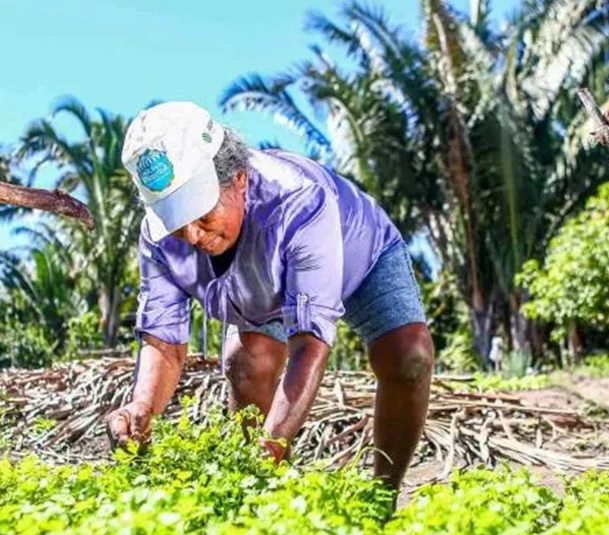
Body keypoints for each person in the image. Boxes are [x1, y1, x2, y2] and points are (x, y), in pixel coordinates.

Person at [102, 101, 434, 488]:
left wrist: (268, 447)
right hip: (260, 286)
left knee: (409, 356)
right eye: (175, 220)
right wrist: (142, 408)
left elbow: (309, 344)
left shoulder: (298, 201)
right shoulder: (159, 240)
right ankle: (269, 500)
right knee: (246, 363)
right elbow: (163, 340)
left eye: (201, 213)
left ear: (238, 179)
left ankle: (383, 495)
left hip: (358, 255)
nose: (192, 236)